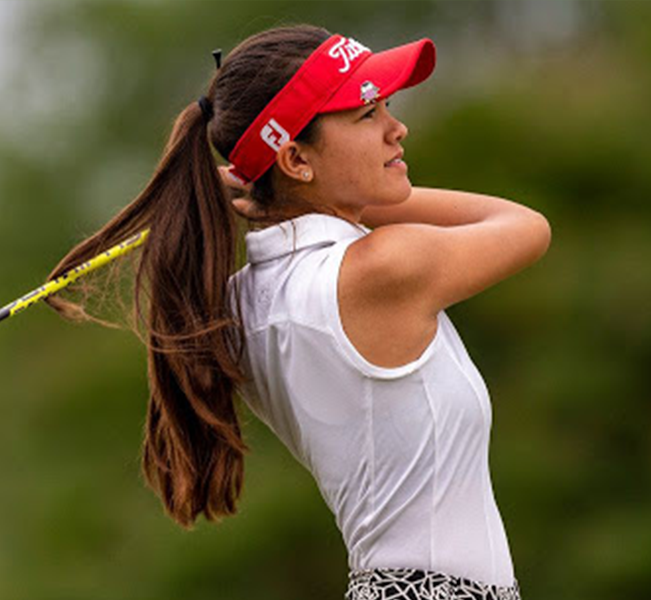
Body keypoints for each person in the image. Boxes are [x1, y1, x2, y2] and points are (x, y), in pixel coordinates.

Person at [45, 24, 548, 600]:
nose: (396, 127)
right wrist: (289, 194)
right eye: (366, 114)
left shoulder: (239, 301)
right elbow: (525, 227)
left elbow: (306, 219)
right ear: (295, 157)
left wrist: (273, 189)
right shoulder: (382, 268)